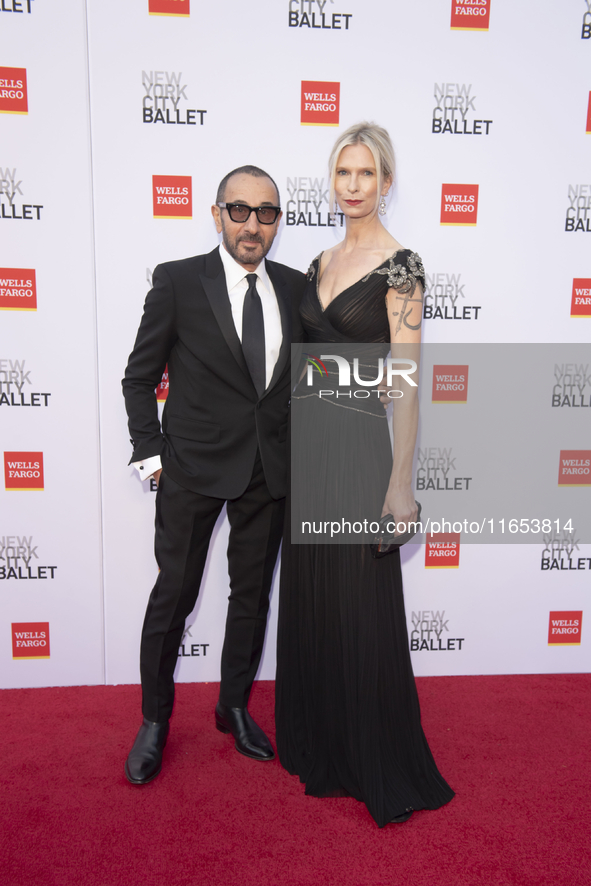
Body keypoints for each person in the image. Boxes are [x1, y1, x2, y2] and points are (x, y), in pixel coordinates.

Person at [275, 123, 455, 826]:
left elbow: (405, 378)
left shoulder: (401, 265)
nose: (352, 186)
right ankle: (321, 741)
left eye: (366, 174)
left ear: (386, 183)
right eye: (342, 173)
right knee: (316, 600)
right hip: (307, 447)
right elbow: (310, 357)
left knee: (358, 606)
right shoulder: (319, 259)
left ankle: (371, 754)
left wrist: (400, 482)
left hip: (357, 451)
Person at [122, 165, 306, 784]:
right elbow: (139, 376)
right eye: (240, 210)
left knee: (251, 599)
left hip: (268, 474)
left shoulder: (293, 285)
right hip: (192, 469)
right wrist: (153, 458)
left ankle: (232, 707)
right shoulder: (177, 282)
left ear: (278, 220)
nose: (253, 225)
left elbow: (320, 370)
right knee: (172, 597)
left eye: (267, 213)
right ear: (217, 212)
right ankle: (154, 720)